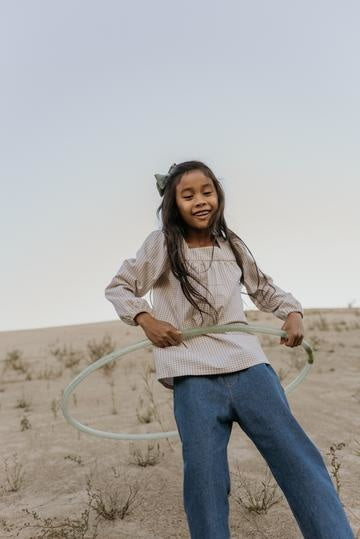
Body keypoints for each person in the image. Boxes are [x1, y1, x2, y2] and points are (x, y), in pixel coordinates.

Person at [104, 160, 354, 539]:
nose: (200, 201)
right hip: (193, 376)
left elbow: (264, 288)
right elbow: (120, 286)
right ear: (173, 203)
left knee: (297, 459)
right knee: (204, 478)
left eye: (207, 191)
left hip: (249, 367)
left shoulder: (232, 245)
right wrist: (146, 319)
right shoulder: (162, 244)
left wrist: (292, 313)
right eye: (188, 195)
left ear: (218, 195)